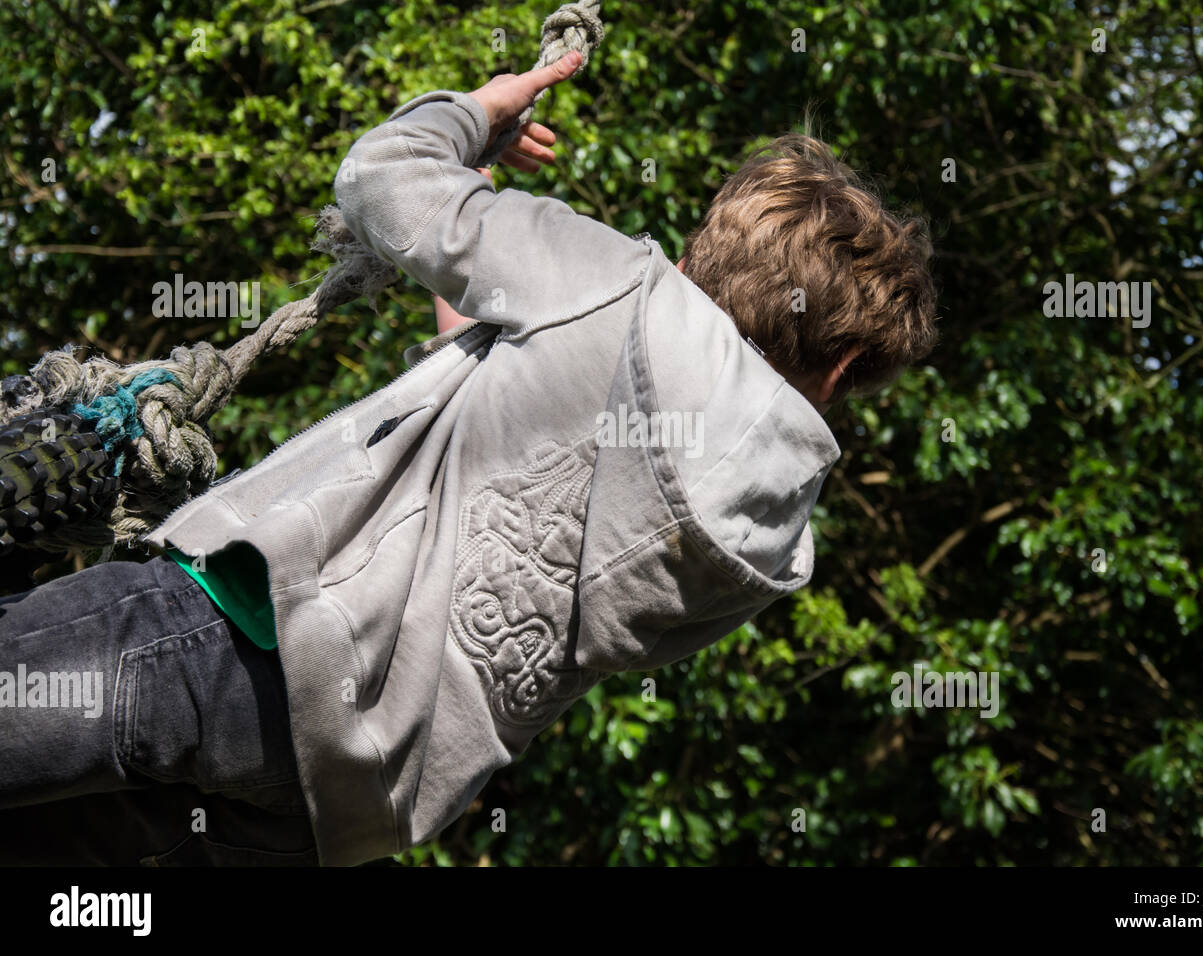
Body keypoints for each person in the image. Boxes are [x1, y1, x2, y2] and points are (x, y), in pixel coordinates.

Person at [0, 51, 937, 865]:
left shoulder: (623, 288)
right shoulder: (774, 550)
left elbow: (379, 176)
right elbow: (505, 465)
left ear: (711, 246)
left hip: (237, 642)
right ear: (846, 362)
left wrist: (475, 113)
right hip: (329, 808)